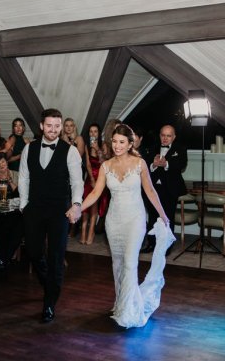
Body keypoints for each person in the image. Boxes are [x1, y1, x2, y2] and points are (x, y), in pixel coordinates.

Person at [78, 124, 174, 328]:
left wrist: (163, 216)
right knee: (118, 265)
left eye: (122, 142)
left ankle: (130, 310)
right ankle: (120, 302)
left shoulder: (139, 164)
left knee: (130, 263)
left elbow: (150, 192)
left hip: (135, 219)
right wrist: (78, 207)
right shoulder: (106, 166)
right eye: (114, 141)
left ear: (130, 144)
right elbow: (95, 193)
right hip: (114, 221)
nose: (117, 145)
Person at [18, 108, 83, 323]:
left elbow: (77, 182)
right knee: (34, 252)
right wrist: (24, 205)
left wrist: (76, 205)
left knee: (56, 257)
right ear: (41, 126)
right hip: (34, 209)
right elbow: (24, 178)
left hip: (59, 211)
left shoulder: (70, 151)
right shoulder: (30, 148)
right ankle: (50, 285)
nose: (53, 130)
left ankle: (49, 303)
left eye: (57, 126)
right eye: (49, 126)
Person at [140, 125, 187, 255]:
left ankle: (166, 245)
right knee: (153, 216)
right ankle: (151, 243)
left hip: (170, 189)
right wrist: (153, 165)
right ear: (160, 135)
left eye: (168, 135)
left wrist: (166, 164)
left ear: (174, 137)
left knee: (167, 217)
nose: (165, 138)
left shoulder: (181, 149)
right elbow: (144, 167)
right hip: (153, 188)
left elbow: (181, 165)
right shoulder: (152, 148)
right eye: (163, 135)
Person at [80, 123, 109, 245]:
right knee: (86, 205)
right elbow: (87, 164)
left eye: (95, 131)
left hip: (101, 178)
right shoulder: (87, 145)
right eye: (91, 132)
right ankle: (83, 231)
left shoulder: (104, 145)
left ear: (99, 133)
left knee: (95, 205)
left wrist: (97, 149)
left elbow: (104, 162)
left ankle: (91, 231)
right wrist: (91, 179)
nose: (93, 134)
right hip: (90, 177)